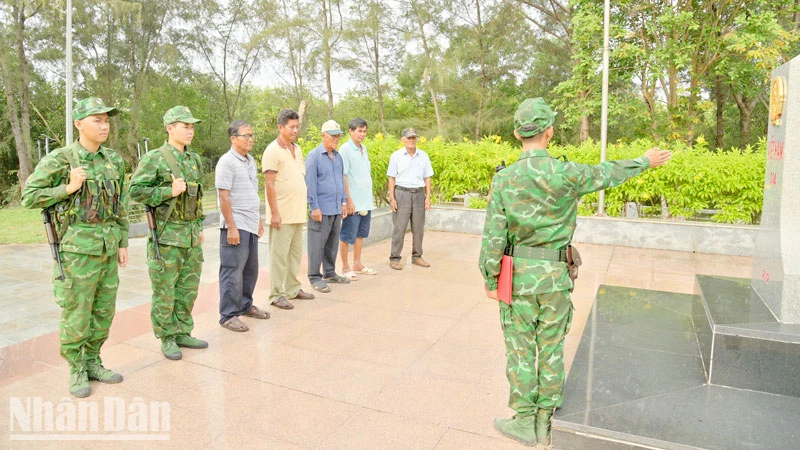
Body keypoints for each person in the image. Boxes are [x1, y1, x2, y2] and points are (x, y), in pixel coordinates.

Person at [479, 97, 672, 447]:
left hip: (518, 278)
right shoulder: (568, 173)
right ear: (549, 132)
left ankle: (524, 422)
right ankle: (545, 420)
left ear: (515, 133)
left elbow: (494, 235)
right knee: (551, 348)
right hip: (555, 277)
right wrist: (645, 161)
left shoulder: (505, 179)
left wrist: (491, 278)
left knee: (521, 351)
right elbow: (607, 172)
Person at [21, 97, 129, 398]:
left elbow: (120, 204)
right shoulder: (62, 159)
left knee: (103, 310)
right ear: (79, 123)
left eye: (107, 120)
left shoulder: (114, 161)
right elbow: (29, 197)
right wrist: (67, 188)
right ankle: (77, 367)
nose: (104, 125)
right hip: (77, 252)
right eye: (97, 119)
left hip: (107, 248)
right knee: (77, 311)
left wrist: (122, 242)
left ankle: (94, 360)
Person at [129, 105, 208, 361]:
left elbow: (197, 197)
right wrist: (167, 192)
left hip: (191, 235)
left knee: (188, 288)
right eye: (185, 126)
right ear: (169, 128)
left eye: (192, 126)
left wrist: (199, 226)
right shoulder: (155, 158)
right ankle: (167, 336)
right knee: (165, 290)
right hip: (166, 237)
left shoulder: (194, 159)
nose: (190, 131)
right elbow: (135, 191)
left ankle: (183, 330)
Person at [216, 120, 270, 332]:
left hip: (250, 224)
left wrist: (257, 219)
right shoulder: (226, 162)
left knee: (250, 270)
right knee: (232, 271)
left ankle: (245, 305)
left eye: (251, 135)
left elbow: (252, 192)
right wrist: (231, 227)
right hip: (235, 225)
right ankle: (228, 315)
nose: (250, 139)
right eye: (245, 135)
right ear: (233, 138)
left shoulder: (250, 161)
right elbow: (223, 196)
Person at [262, 109, 315, 310]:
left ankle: (293, 289)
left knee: (294, 256)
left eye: (297, 126)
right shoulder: (272, 150)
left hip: (297, 213)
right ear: (281, 127)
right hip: (281, 215)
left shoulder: (297, 149)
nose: (295, 130)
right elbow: (269, 184)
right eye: (291, 127)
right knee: (279, 257)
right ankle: (276, 294)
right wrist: (274, 213)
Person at [305, 119, 350, 293]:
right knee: (317, 244)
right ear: (323, 136)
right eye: (333, 136)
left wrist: (344, 202)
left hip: (336, 208)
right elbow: (311, 184)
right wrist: (314, 207)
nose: (336, 139)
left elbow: (340, 180)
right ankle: (314, 277)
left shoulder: (338, 157)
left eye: (338, 136)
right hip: (321, 209)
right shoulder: (314, 156)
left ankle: (330, 272)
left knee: (332, 243)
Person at [387, 127, 434, 270]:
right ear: (403, 140)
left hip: (419, 194)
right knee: (399, 228)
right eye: (409, 138)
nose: (412, 140)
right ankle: (395, 258)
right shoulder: (396, 156)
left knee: (418, 228)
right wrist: (392, 198)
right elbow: (392, 178)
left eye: (414, 137)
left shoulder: (423, 156)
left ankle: (417, 256)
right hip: (402, 194)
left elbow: (427, 177)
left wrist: (428, 197)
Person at [339, 118, 377, 280]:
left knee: (360, 235)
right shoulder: (345, 149)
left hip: (365, 201)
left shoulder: (364, 149)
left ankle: (357, 264)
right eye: (359, 131)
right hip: (352, 202)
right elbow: (344, 175)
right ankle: (345, 267)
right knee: (347, 235)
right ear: (351, 131)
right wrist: (348, 200)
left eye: (364, 131)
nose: (362, 134)